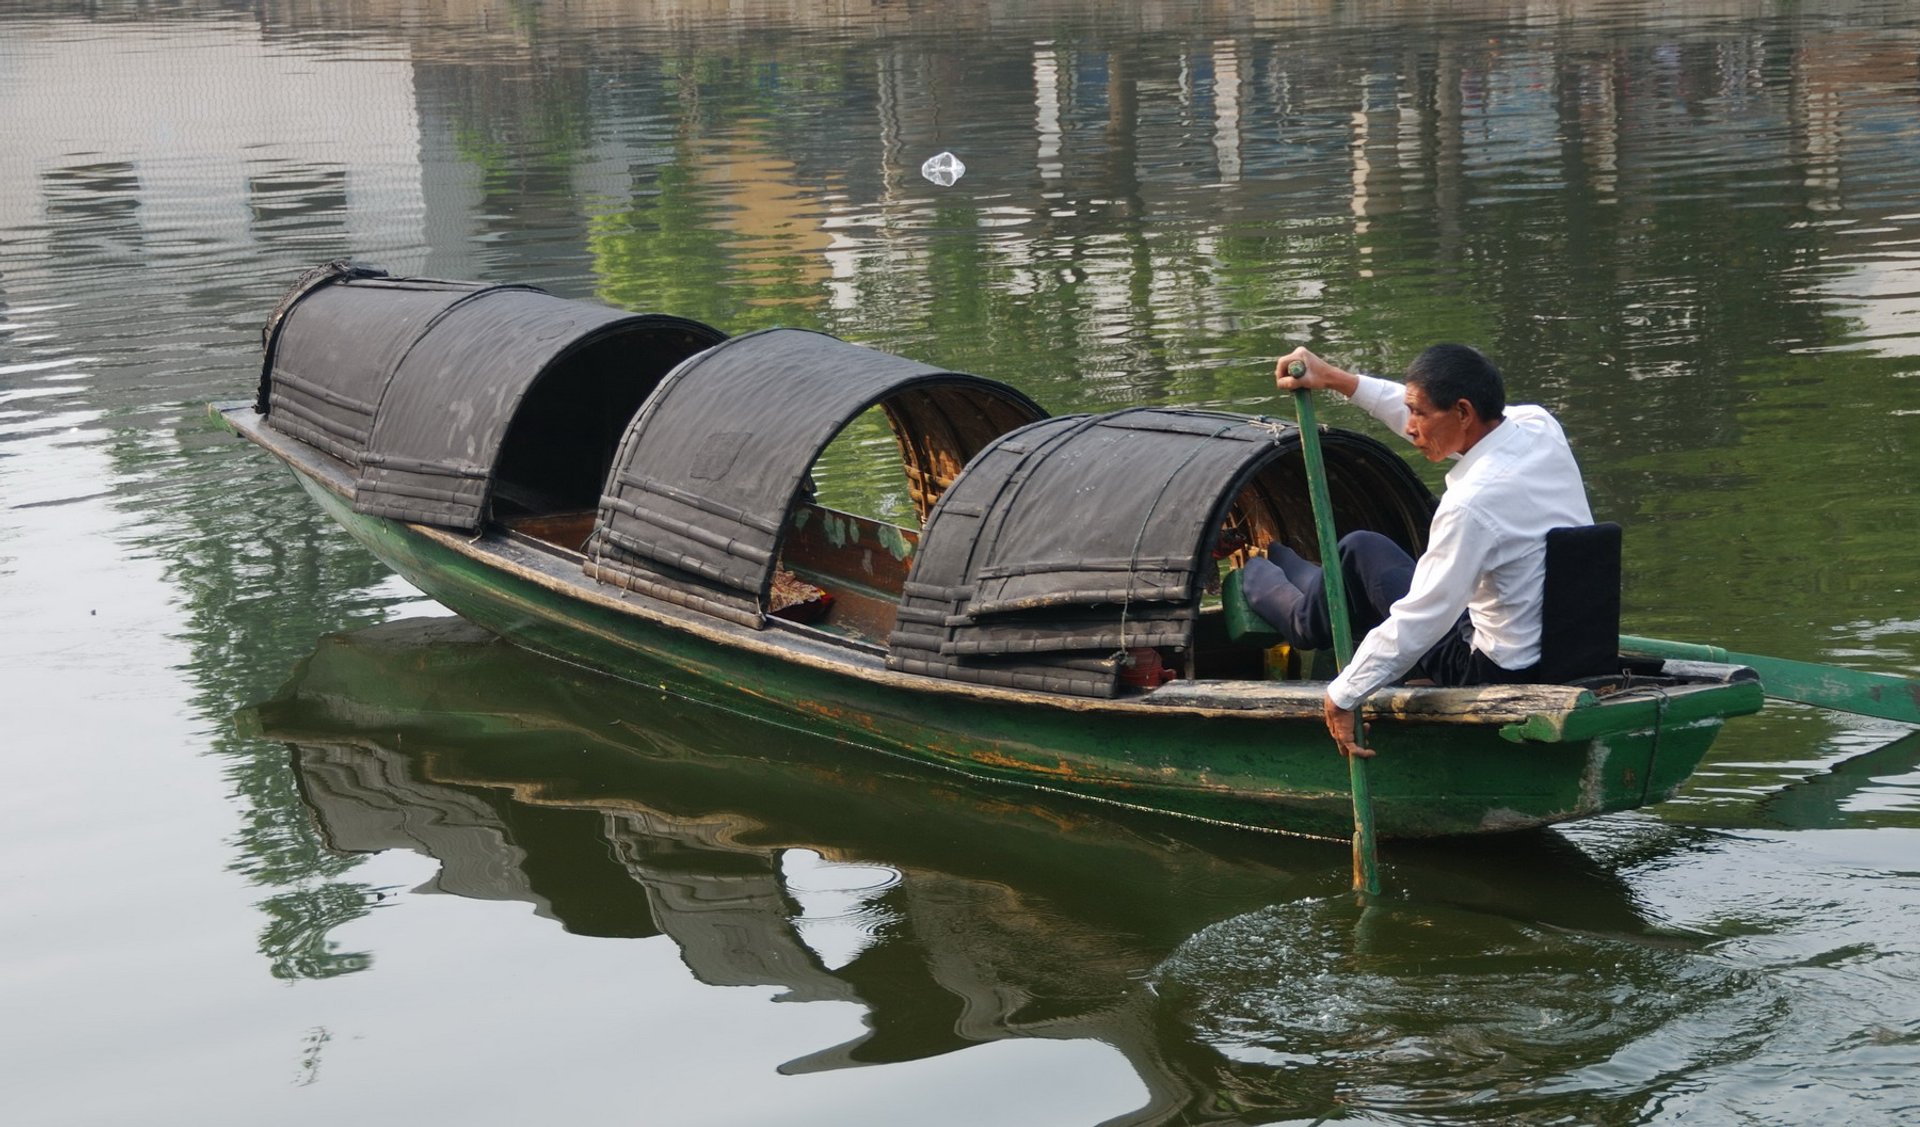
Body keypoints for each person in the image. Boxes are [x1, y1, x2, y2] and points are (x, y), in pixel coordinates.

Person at [1250, 343, 1593, 758]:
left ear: (1464, 412)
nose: (1410, 426)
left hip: (1496, 669)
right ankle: (1282, 558)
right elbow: (1427, 413)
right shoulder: (1538, 426)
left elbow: (1423, 618)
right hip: (1572, 644)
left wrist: (1343, 693)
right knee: (1358, 553)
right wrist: (1335, 379)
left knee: (1357, 554)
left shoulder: (1472, 502)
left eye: (1419, 413)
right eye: (1409, 410)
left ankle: (1254, 571)